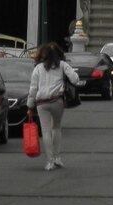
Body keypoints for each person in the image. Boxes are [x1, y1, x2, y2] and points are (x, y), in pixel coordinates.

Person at [26, 41, 80, 171]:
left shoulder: (38, 68)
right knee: (56, 128)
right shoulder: (62, 65)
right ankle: (57, 157)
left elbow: (33, 89)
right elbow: (75, 79)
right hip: (57, 101)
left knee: (45, 131)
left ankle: (49, 161)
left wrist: (29, 106)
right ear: (59, 54)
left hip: (41, 103)